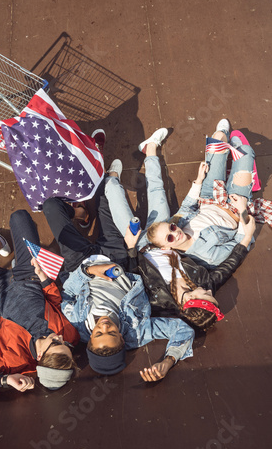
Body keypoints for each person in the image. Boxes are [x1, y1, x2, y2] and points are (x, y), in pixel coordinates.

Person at [104, 127, 255, 343]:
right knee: (157, 190)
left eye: (206, 295)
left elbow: (131, 278)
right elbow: (229, 265)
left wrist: (130, 247)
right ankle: (150, 149)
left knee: (116, 199)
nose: (208, 290)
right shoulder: (204, 281)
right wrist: (246, 237)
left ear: (191, 301)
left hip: (140, 245)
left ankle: (110, 179)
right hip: (165, 237)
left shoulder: (160, 303)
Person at [42, 183, 195, 382]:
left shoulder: (77, 324)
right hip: (116, 257)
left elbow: (68, 294)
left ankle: (80, 215)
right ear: (122, 339)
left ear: (89, 342)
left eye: (98, 333)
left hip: (81, 263)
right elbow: (181, 329)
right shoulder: (138, 332)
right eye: (112, 332)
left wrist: (88, 271)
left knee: (51, 206)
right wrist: (167, 361)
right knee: (103, 188)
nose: (104, 326)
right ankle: (87, 214)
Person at [0, 210, 80, 396]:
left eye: (56, 342)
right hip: (30, 274)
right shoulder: (70, 335)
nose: (60, 337)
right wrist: (44, 278)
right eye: (66, 345)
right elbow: (55, 302)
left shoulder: (14, 361)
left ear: (41, 356)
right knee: (19, 217)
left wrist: (3, 380)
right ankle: (2, 243)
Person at [106, 119, 265, 269]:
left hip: (209, 197)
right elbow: (241, 242)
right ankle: (236, 159)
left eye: (172, 227)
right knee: (246, 151)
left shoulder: (174, 227)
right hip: (236, 206)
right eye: (170, 236)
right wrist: (243, 209)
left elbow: (187, 208)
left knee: (218, 138)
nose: (176, 232)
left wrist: (198, 180)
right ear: (166, 248)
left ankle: (115, 175)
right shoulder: (207, 256)